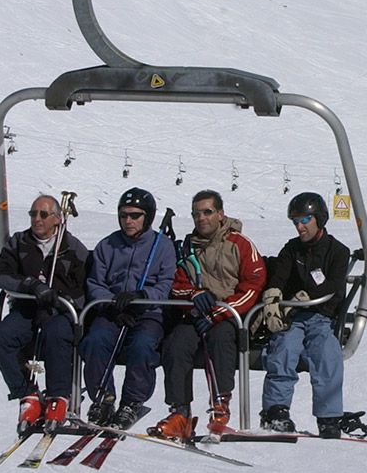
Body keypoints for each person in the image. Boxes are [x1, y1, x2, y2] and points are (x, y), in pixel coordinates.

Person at [150, 190, 266, 441]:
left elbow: (254, 285)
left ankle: (220, 405)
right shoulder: (188, 247)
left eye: (207, 212)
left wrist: (224, 310)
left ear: (220, 214)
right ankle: (180, 412)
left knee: (221, 340)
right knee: (177, 343)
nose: (201, 218)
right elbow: (176, 284)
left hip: (230, 315)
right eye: (196, 214)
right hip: (197, 313)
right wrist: (193, 294)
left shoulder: (239, 244)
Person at [0, 194, 89, 433]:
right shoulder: (19, 243)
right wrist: (30, 286)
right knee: (0, 339)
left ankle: (58, 396)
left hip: (59, 312)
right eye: (33, 214)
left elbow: (85, 285)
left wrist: (64, 300)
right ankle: (27, 393)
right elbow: (0, 273)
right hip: (28, 309)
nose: (37, 219)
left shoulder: (71, 247)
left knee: (57, 334)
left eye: (43, 214)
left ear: (56, 219)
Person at [80, 188, 176, 428]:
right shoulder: (108, 245)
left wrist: (142, 296)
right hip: (113, 311)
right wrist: (112, 304)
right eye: (123, 215)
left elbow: (166, 284)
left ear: (148, 217)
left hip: (147, 312)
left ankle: (132, 402)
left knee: (142, 345)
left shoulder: (161, 246)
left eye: (135, 215)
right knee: (95, 340)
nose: (128, 221)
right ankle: (103, 398)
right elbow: (95, 282)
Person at [259, 192, 350, 438]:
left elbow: (334, 286)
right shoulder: (292, 249)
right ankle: (275, 411)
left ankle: (329, 417)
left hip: (321, 316)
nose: (300, 227)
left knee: (326, 353)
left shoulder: (338, 251)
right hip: (294, 317)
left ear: (319, 219)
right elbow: (279, 274)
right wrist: (274, 294)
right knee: (284, 347)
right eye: (296, 221)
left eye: (305, 220)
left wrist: (306, 296)